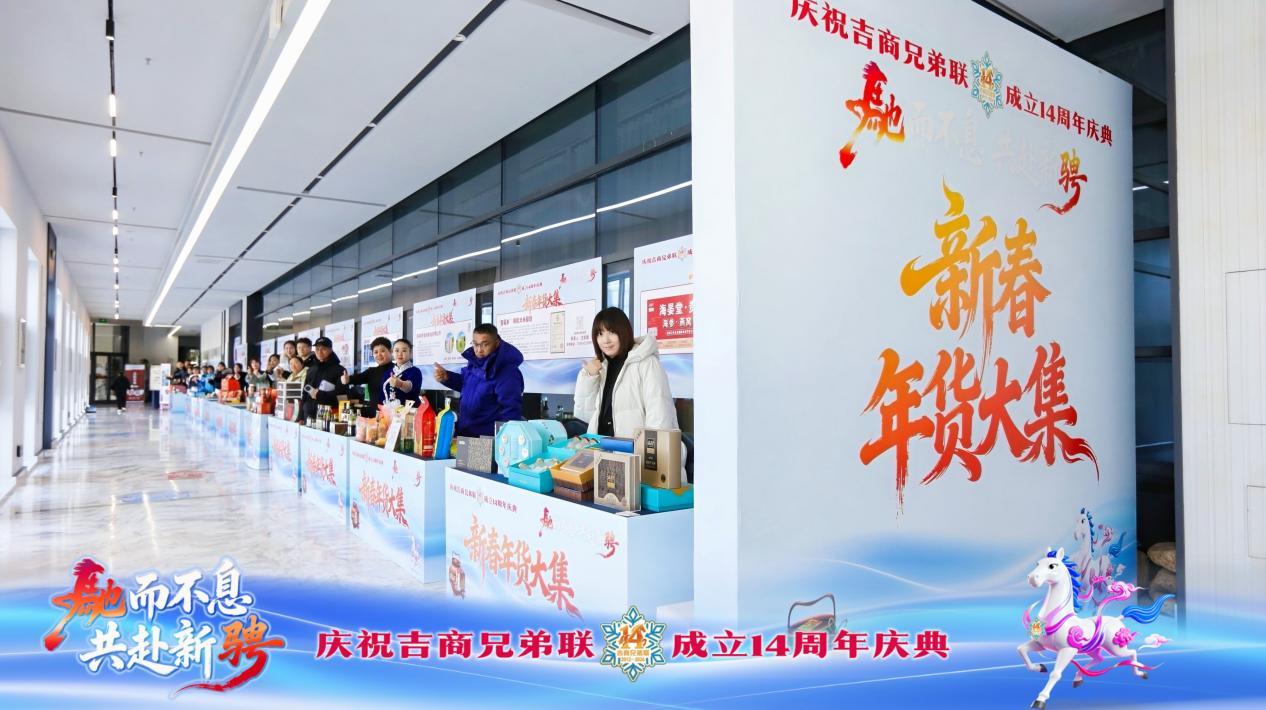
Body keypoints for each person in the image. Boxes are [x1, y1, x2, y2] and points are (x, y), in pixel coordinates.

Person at [574, 307, 678, 438]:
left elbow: (660, 415)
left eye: (612, 332)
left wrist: (649, 449)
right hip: (599, 446)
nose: (606, 340)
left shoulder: (646, 363)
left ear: (624, 332)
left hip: (633, 448)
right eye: (600, 334)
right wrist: (589, 377)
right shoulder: (601, 367)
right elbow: (585, 414)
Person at [433, 324, 524, 437]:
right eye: (475, 344)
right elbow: (468, 386)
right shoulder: (475, 362)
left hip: (488, 439)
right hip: (466, 435)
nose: (479, 350)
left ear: (497, 343)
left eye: (485, 344)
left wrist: (504, 441)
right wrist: (447, 377)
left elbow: (511, 412)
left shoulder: (507, 372)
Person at [301, 336, 347, 420]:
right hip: (308, 415)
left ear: (330, 350)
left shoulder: (340, 370)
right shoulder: (311, 369)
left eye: (324, 349)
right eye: (317, 349)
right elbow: (305, 394)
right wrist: (300, 416)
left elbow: (342, 396)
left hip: (328, 416)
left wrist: (320, 395)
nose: (319, 352)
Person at [341, 337, 393, 412]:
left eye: (382, 351)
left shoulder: (397, 370)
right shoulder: (371, 372)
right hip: (374, 415)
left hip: (392, 415)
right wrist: (347, 379)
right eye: (375, 352)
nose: (379, 354)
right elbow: (356, 378)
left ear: (390, 351)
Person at [384, 338, 423, 407]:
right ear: (392, 353)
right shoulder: (388, 372)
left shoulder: (415, 371)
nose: (400, 354)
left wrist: (400, 384)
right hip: (390, 410)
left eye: (404, 351)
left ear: (410, 353)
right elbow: (383, 394)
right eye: (396, 350)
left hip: (410, 410)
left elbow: (409, 387)